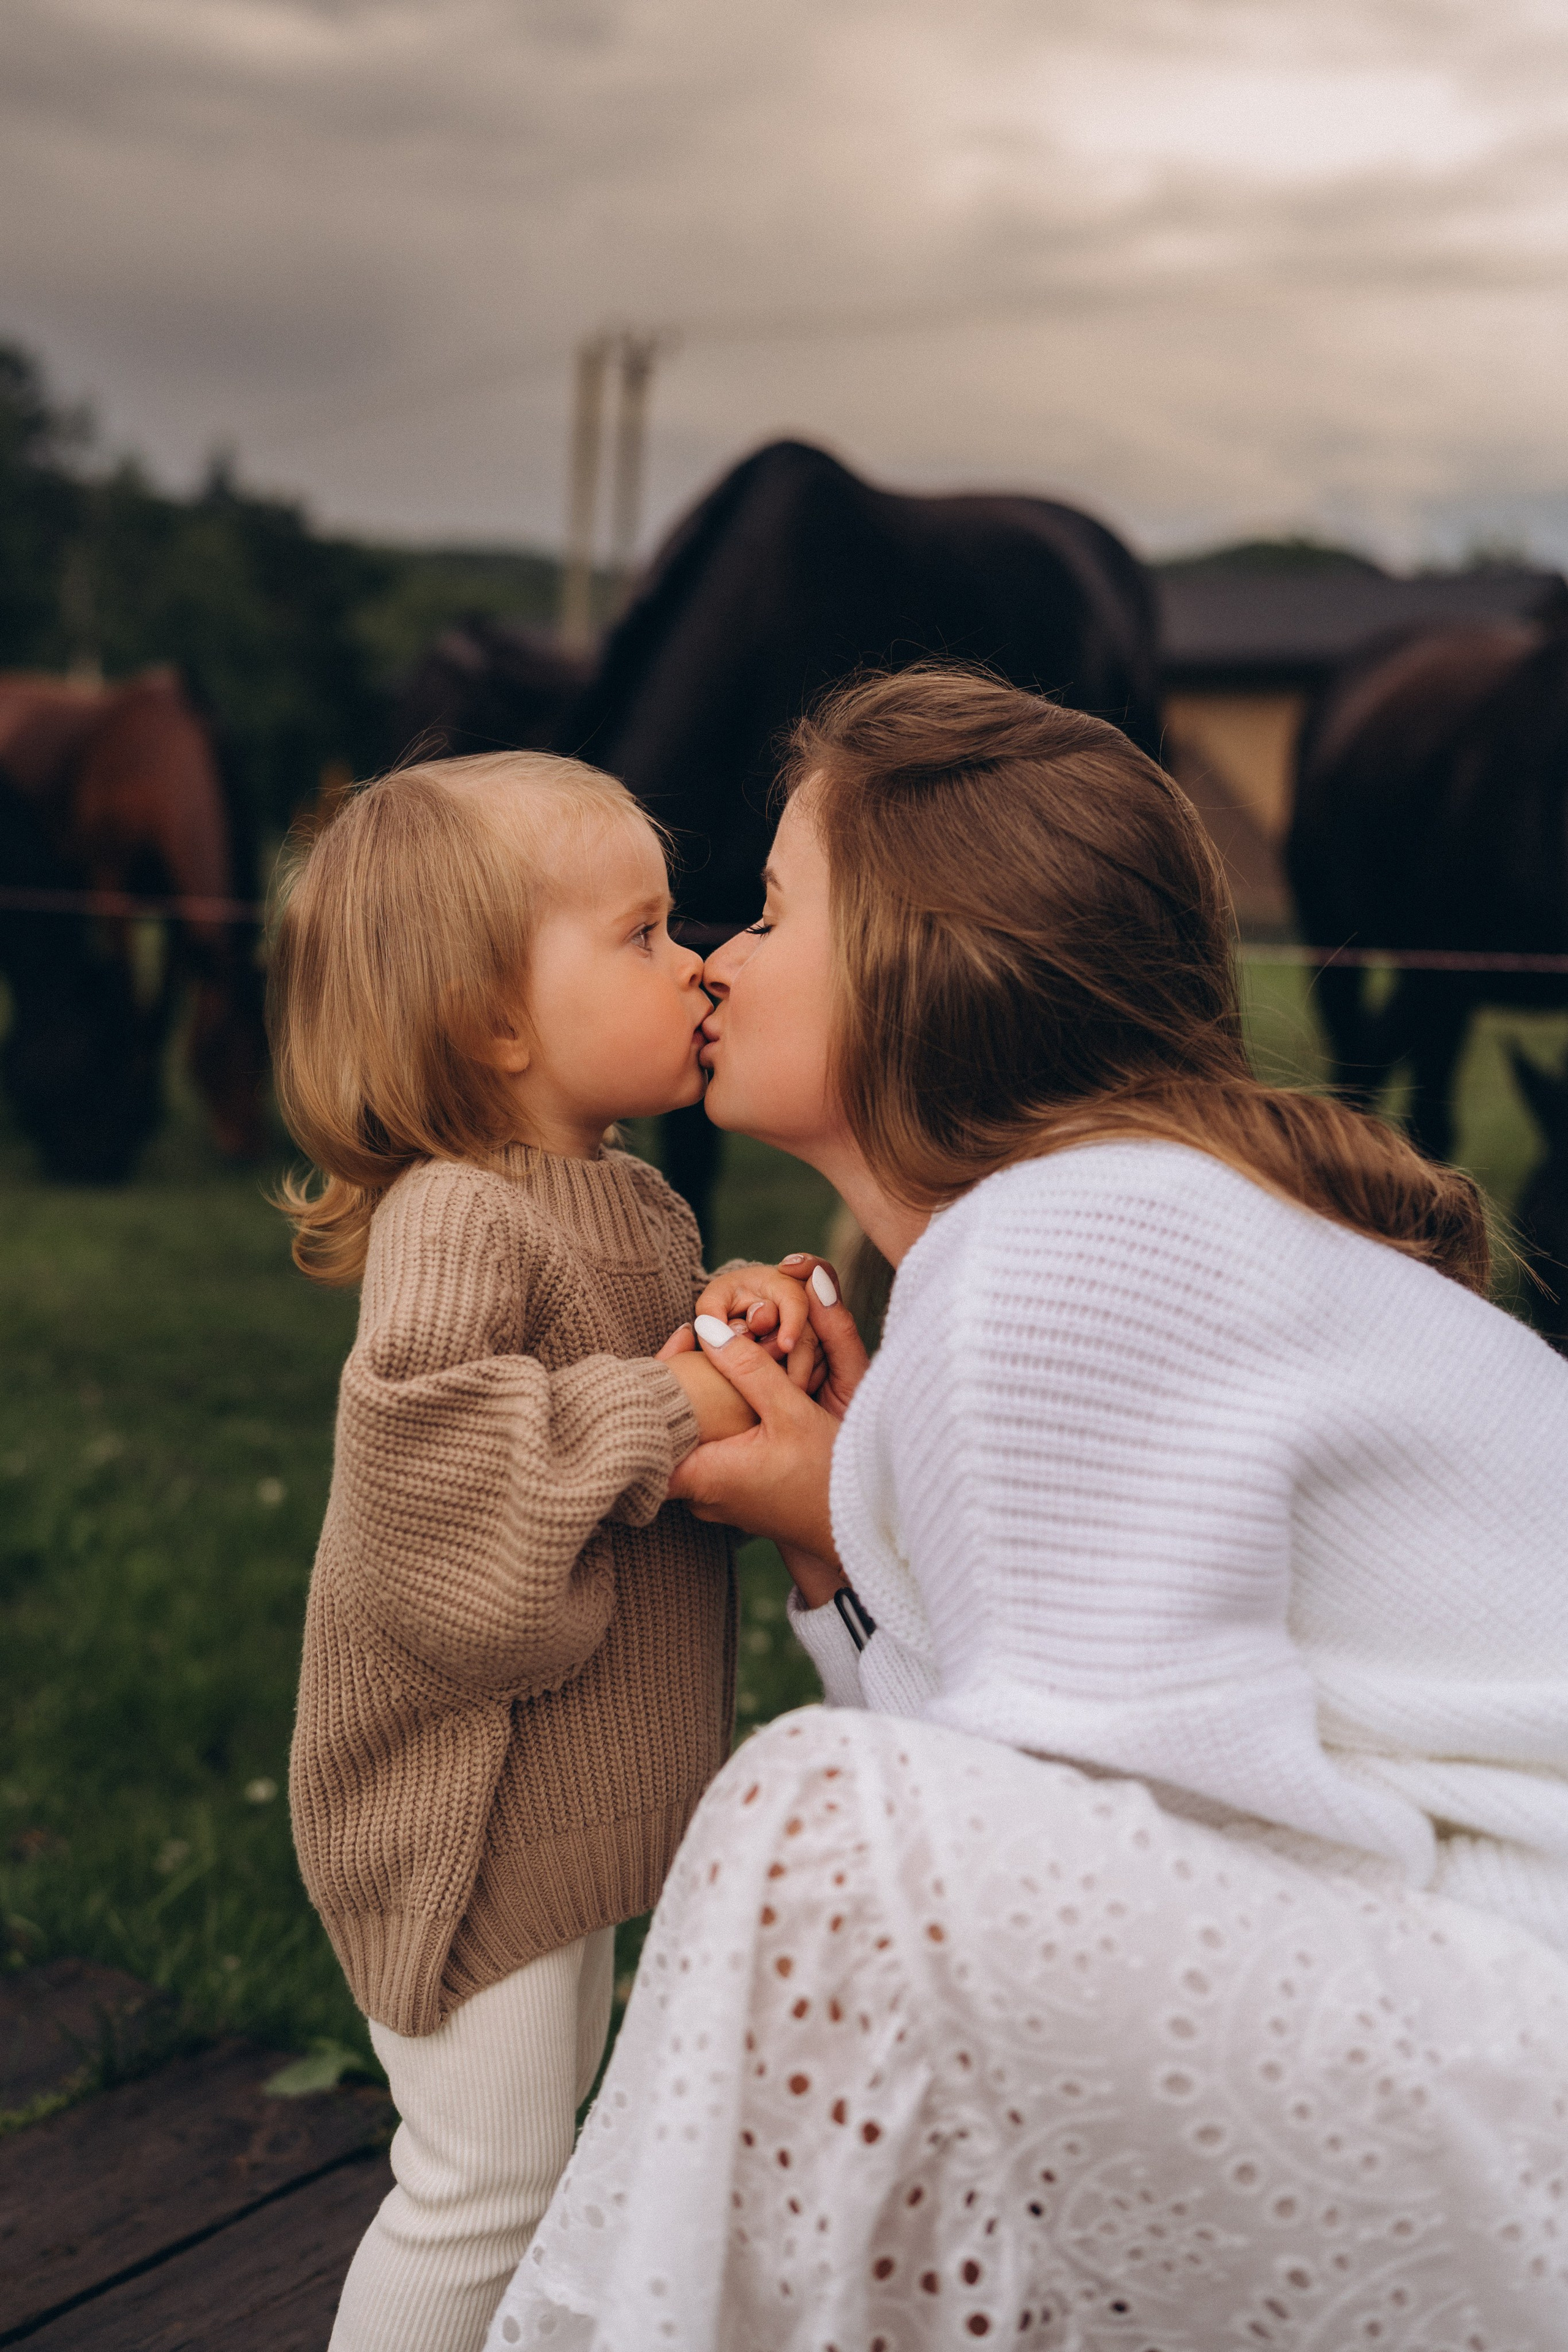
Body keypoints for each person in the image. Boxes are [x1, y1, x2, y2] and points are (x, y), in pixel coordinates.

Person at [487, 669, 1568, 2349]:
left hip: (1518, 2025)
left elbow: (1120, 1856)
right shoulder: (1095, 1227)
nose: (718, 959)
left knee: (812, 1826)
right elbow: (1034, 1867)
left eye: (771, 909)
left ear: (919, 959)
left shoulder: (1056, 1247)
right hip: (1465, 1992)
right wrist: (845, 1548)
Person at [266, 750, 820, 2352]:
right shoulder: (456, 1216)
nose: (695, 962)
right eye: (643, 935)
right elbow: (442, 1501)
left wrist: (729, 1320)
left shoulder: (628, 1203)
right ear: (496, 1021)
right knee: (478, 2188)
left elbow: (635, 1384)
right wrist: (671, 1397)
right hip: (469, 1822)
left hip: (562, 1810)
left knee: (542, 2166)